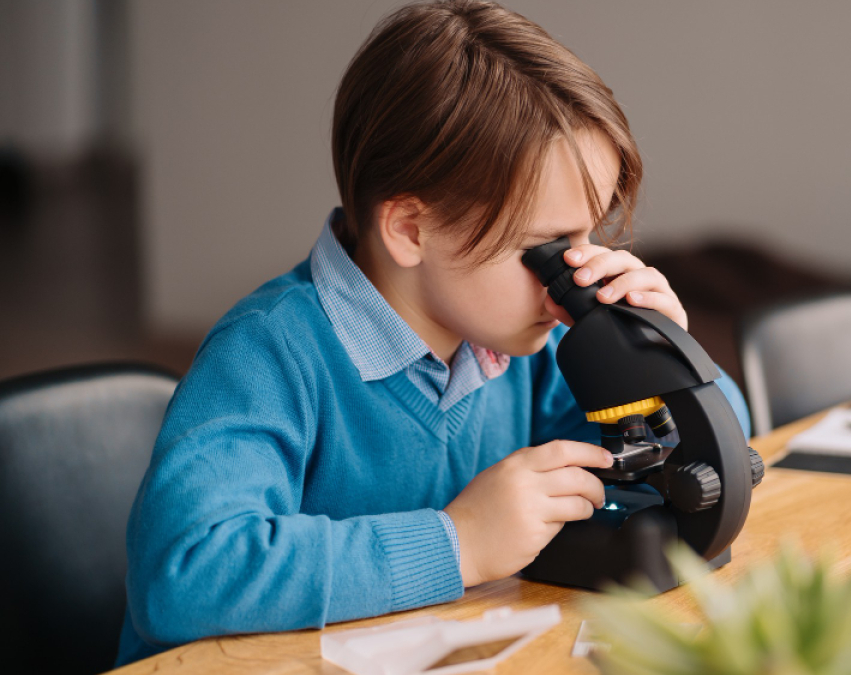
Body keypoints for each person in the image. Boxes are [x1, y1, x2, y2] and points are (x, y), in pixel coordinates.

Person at [116, 0, 750, 666]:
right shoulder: (268, 354)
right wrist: (459, 543)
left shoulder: (518, 343)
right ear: (411, 231)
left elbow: (703, 458)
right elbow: (183, 572)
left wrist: (666, 362)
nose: (574, 274)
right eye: (545, 248)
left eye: (587, 237)